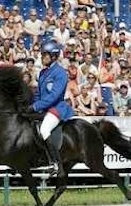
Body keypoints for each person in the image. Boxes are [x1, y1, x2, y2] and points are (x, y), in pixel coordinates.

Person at [25, 41, 74, 177]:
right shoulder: (42, 73)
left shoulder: (61, 73)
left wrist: (36, 106)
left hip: (57, 108)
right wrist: (32, 106)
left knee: (44, 129)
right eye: (42, 55)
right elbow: (39, 94)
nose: (42, 57)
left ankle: (55, 163)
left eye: (45, 55)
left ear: (53, 56)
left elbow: (54, 96)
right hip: (44, 108)